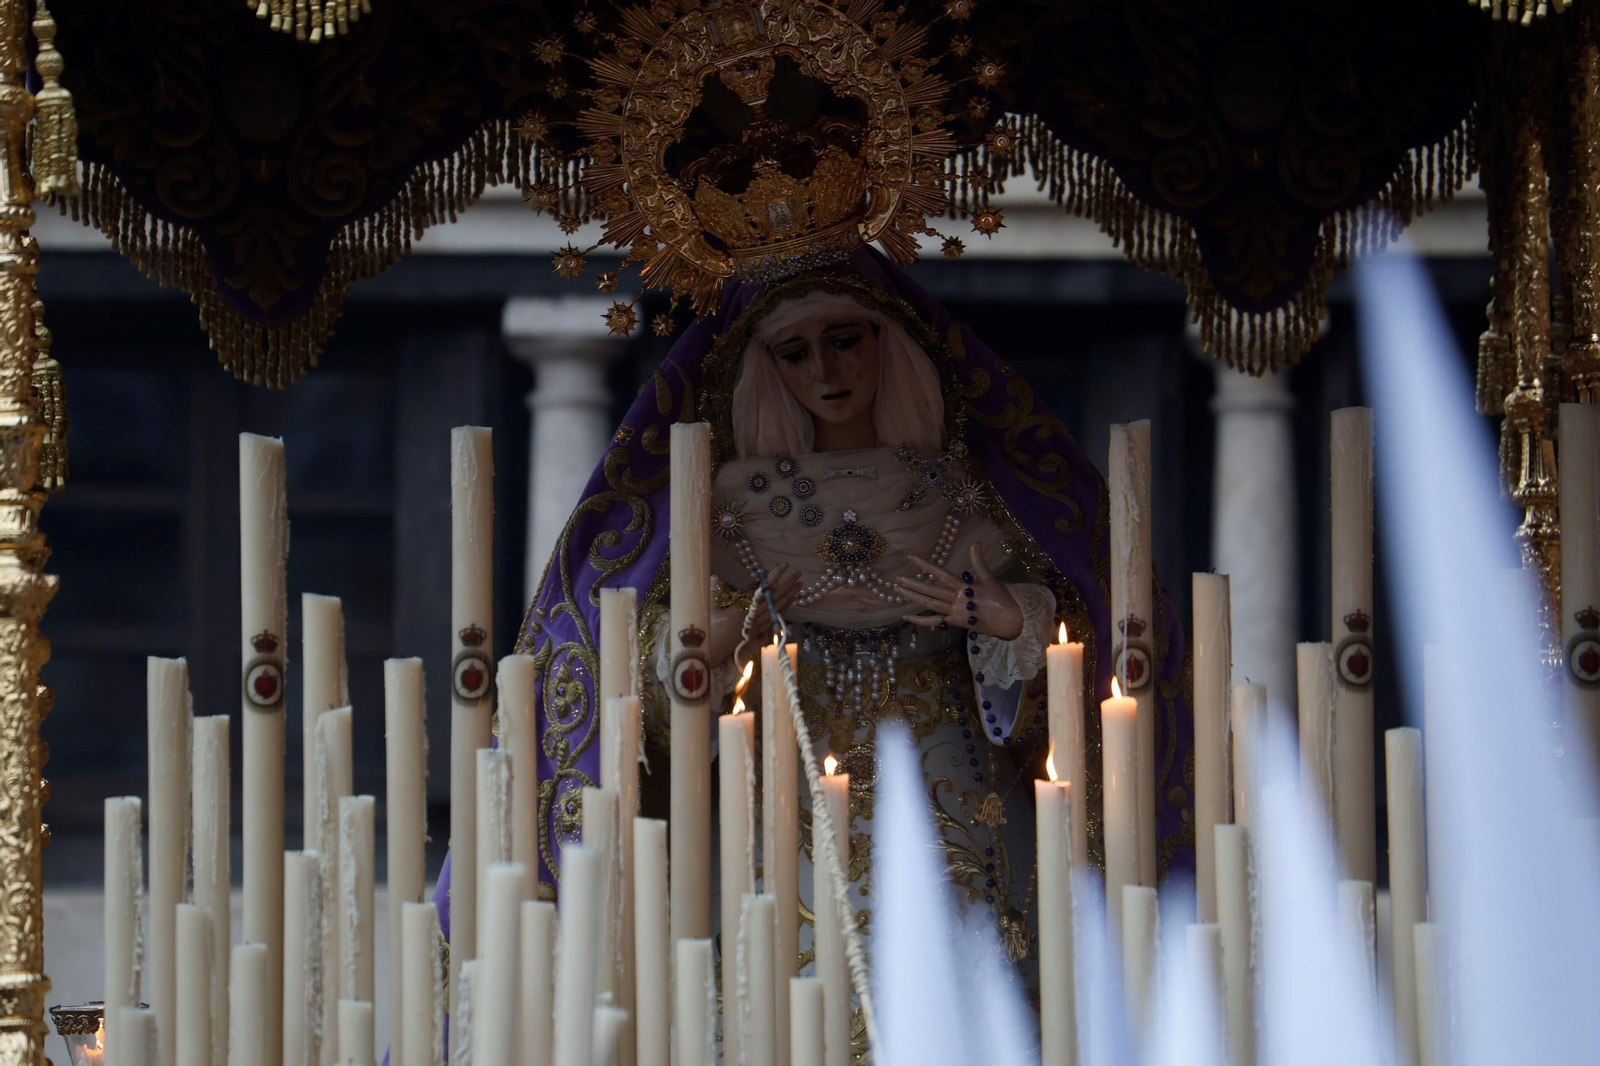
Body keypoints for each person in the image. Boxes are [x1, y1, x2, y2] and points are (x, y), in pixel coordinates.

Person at [500, 247, 1194, 965]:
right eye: (795, 353)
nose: (826, 373)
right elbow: (650, 656)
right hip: (781, 781)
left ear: (885, 342)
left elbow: (1077, 646)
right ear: (768, 368)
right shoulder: (733, 509)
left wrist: (1013, 619)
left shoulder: (962, 490)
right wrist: (707, 643)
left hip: (951, 781)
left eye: (844, 342)